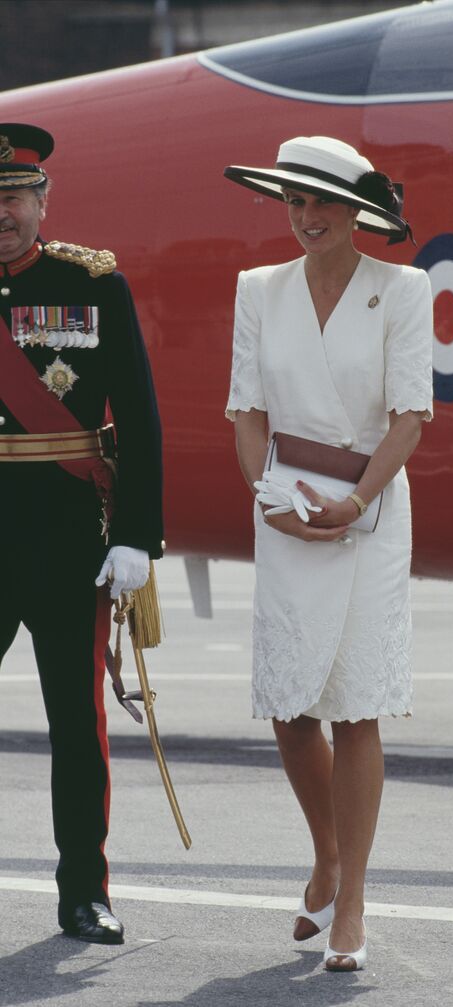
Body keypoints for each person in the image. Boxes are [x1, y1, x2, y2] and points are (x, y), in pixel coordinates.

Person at [224, 136, 434, 971]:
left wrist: (355, 499)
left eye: (325, 204)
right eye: (295, 202)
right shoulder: (257, 289)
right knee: (289, 703)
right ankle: (327, 851)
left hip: (369, 513)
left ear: (358, 212)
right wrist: (268, 496)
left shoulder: (403, 288)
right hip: (283, 508)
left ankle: (351, 902)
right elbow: (246, 409)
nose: (308, 219)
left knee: (354, 705)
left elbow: (410, 416)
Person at [0, 123, 163, 944]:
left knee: (76, 719)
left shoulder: (92, 283)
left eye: (11, 196)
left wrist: (136, 534)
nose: (1, 212)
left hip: (68, 532)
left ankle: (84, 890)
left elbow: (136, 412)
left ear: (40, 200)